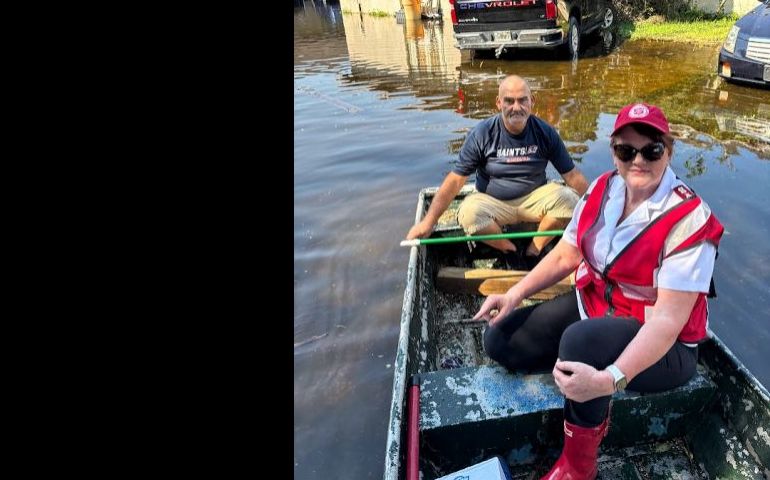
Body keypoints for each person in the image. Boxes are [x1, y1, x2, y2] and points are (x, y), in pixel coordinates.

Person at [473, 102, 724, 480]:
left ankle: (578, 466)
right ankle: (575, 376)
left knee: (581, 343)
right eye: (626, 150)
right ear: (614, 152)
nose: (637, 160)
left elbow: (669, 322)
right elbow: (566, 254)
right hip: (597, 307)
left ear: (668, 152)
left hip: (664, 346)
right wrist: (514, 294)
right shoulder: (602, 190)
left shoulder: (690, 220)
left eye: (651, 150)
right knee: (500, 342)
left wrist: (608, 380)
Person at [406, 75, 589, 265]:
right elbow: (455, 180)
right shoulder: (482, 133)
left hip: (534, 199)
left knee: (571, 201)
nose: (516, 107)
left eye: (522, 100)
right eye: (509, 101)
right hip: (494, 202)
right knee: (468, 212)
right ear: (498, 103)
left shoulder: (545, 132)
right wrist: (429, 222)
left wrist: (598, 210)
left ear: (532, 101)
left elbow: (572, 175)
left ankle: (534, 249)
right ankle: (508, 249)